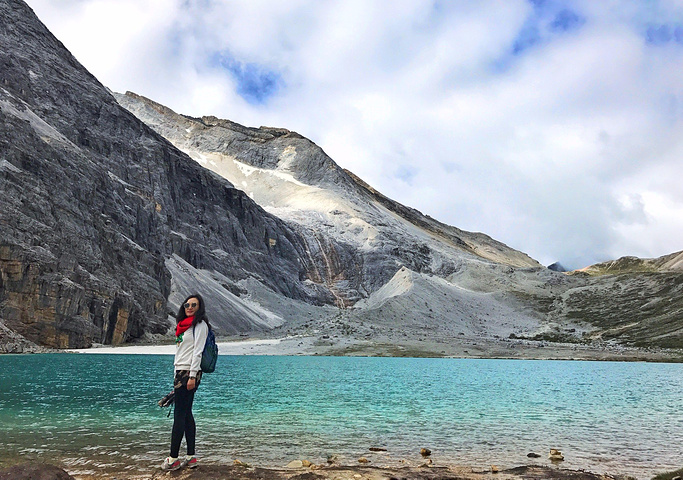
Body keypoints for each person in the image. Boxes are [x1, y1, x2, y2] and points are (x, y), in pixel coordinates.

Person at [162, 294, 210, 471]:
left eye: (193, 305)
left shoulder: (200, 325)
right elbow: (181, 351)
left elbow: (198, 352)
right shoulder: (183, 325)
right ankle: (191, 457)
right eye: (187, 305)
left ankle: (173, 458)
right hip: (180, 371)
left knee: (179, 414)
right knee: (187, 413)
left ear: (199, 307)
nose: (189, 307)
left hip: (189, 373)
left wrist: (192, 376)